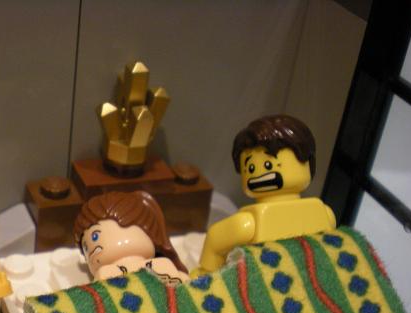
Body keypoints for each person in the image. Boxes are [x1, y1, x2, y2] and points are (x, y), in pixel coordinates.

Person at [193, 114, 336, 276]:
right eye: (250, 168)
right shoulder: (326, 214)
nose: (258, 175)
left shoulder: (248, 223)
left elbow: (214, 240)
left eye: (269, 165)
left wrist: (204, 274)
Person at [74, 191, 189, 284]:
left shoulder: (163, 265)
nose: (91, 252)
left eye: (95, 236)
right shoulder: (103, 275)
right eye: (85, 248)